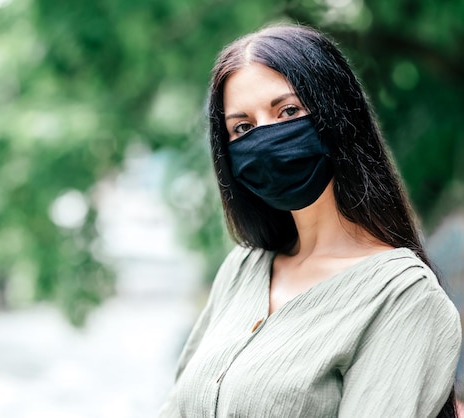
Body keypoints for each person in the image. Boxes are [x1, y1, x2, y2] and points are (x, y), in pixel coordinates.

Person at [159, 24, 461, 418]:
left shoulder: (403, 296)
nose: (266, 139)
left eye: (288, 111)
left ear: (336, 115)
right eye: (243, 128)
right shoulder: (243, 269)